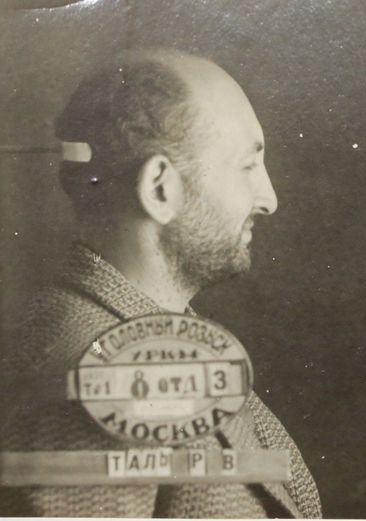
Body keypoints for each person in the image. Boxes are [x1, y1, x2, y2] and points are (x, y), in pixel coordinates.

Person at [0, 49, 322, 518]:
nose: (269, 199)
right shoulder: (102, 381)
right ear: (159, 189)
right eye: (248, 166)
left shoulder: (148, 342)